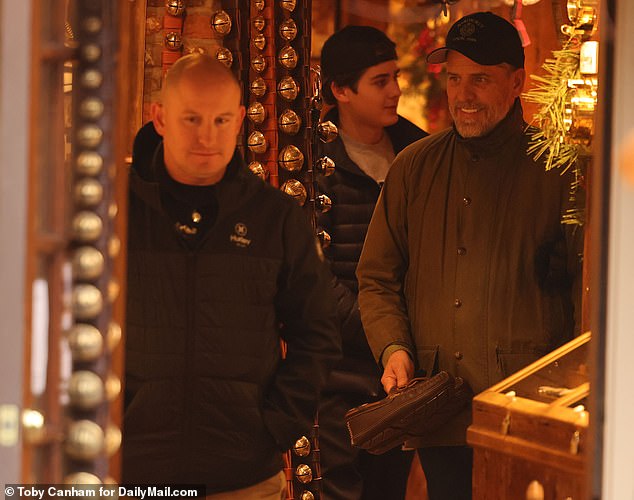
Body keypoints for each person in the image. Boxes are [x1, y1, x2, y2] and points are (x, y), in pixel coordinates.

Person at [356, 12, 583, 500]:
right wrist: (393, 348)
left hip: (528, 412)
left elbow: (588, 292)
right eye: (454, 79)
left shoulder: (559, 170)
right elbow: (376, 277)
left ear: (517, 81)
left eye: (480, 79)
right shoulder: (413, 167)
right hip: (441, 409)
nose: (463, 94)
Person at [122, 53, 341, 499]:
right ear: (159, 117)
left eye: (222, 120)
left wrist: (275, 426)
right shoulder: (113, 211)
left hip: (244, 476)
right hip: (128, 470)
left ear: (241, 119)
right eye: (192, 118)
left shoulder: (276, 218)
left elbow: (317, 330)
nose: (207, 136)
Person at [316, 26, 428, 500]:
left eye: (396, 77)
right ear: (341, 90)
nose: (395, 91)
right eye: (380, 81)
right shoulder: (315, 163)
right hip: (339, 370)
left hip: (404, 369)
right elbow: (317, 279)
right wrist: (385, 335)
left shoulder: (417, 153)